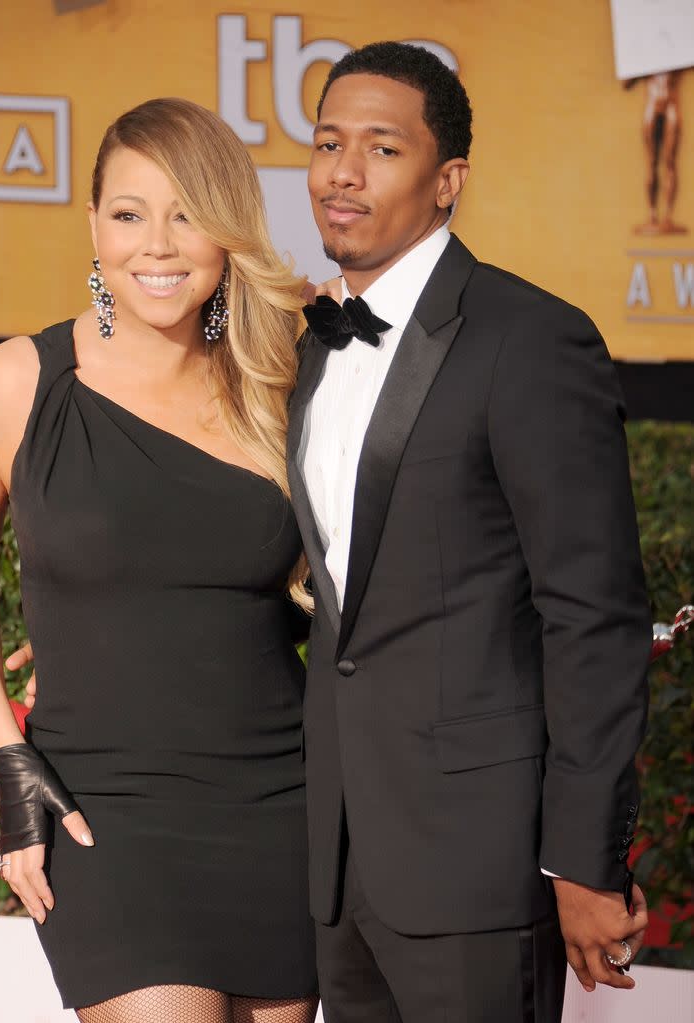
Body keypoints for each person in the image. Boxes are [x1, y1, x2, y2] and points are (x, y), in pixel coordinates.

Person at [0, 97, 319, 1023]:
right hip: (103, 805)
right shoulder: (20, 381)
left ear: (228, 233)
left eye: (188, 214)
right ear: (93, 225)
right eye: (130, 212)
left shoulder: (281, 382)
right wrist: (4, 750)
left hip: (277, 796)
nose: (159, 244)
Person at [286, 43, 652, 1022]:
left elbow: (595, 616)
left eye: (379, 147)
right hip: (336, 863)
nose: (342, 172)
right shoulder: (308, 347)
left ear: (446, 181)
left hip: (476, 863)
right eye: (326, 143)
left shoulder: (529, 338)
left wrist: (583, 862)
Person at [625, 70, 687, 235]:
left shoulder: (677, 51)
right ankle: (652, 215)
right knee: (651, 162)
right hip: (652, 104)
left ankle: (667, 217)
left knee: (670, 162)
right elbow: (626, 82)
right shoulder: (645, 56)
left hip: (672, 103)